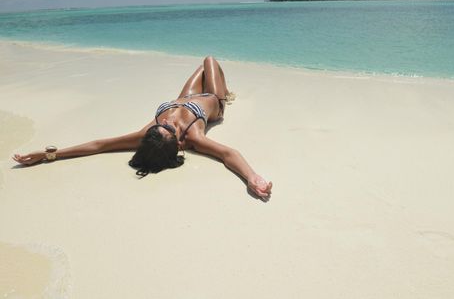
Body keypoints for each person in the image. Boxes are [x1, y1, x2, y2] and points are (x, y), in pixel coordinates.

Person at [12, 56, 273, 200]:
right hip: (210, 101)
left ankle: (224, 89)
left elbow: (99, 145)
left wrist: (51, 155)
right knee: (210, 61)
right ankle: (225, 94)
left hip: (183, 96)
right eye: (169, 130)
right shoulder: (194, 136)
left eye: (161, 127)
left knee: (200, 65)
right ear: (179, 145)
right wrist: (252, 177)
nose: (167, 122)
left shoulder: (147, 134)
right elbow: (229, 154)